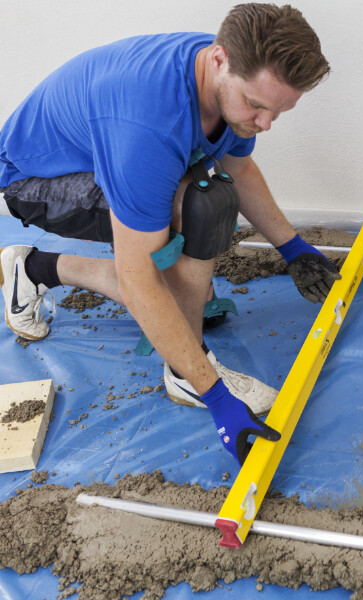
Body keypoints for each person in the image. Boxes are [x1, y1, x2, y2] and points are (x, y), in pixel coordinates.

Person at [0, 3, 340, 465]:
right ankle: (183, 374)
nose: (264, 124)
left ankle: (33, 269)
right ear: (219, 60)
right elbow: (139, 280)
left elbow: (238, 165)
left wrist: (294, 248)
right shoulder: (148, 127)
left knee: (199, 228)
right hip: (37, 183)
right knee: (199, 208)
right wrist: (215, 395)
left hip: (105, 156)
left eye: (278, 112)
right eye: (257, 106)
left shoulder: (225, 77)